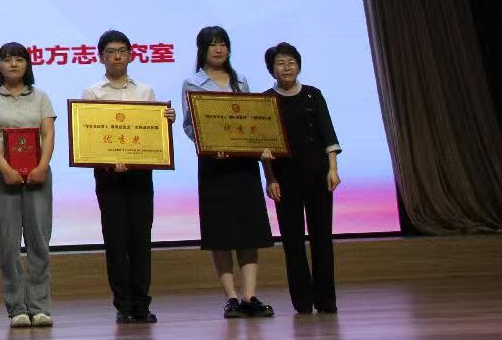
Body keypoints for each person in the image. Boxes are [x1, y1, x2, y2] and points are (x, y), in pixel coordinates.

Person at [80, 30, 176, 324]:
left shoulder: (145, 92)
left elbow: (152, 134)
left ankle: (142, 304)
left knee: (140, 239)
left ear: (131, 55)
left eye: (122, 51)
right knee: (116, 241)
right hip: (108, 176)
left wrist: (166, 122)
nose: (117, 56)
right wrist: (110, 160)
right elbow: (89, 136)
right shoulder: (92, 93)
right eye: (111, 52)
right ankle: (123, 305)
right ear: (101, 57)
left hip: (140, 175)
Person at [181, 25, 275, 319]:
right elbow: (189, 125)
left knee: (249, 231)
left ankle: (250, 296)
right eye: (212, 44)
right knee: (220, 233)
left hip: (243, 164)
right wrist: (209, 145)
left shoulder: (241, 81)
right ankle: (231, 298)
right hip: (214, 166)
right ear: (202, 50)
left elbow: (250, 119)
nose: (219, 49)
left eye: (223, 43)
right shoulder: (192, 83)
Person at [0, 41, 56, 329]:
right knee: (8, 245)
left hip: (38, 177)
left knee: (39, 243)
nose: (13, 64)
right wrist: (5, 169)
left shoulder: (40, 96)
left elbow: (48, 135)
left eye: (19, 59)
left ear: (27, 64)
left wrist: (42, 166)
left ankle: (39, 306)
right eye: (7, 59)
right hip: (4, 178)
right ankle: (17, 308)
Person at [263, 42, 342, 314]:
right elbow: (264, 149)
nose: (287, 67)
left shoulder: (312, 95)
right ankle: (303, 301)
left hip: (318, 175)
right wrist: (270, 178)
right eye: (280, 63)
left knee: (322, 239)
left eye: (291, 62)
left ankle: (326, 300)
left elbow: (328, 134)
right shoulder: (265, 100)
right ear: (272, 69)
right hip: (284, 179)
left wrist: (333, 169)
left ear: (298, 65)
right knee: (292, 242)